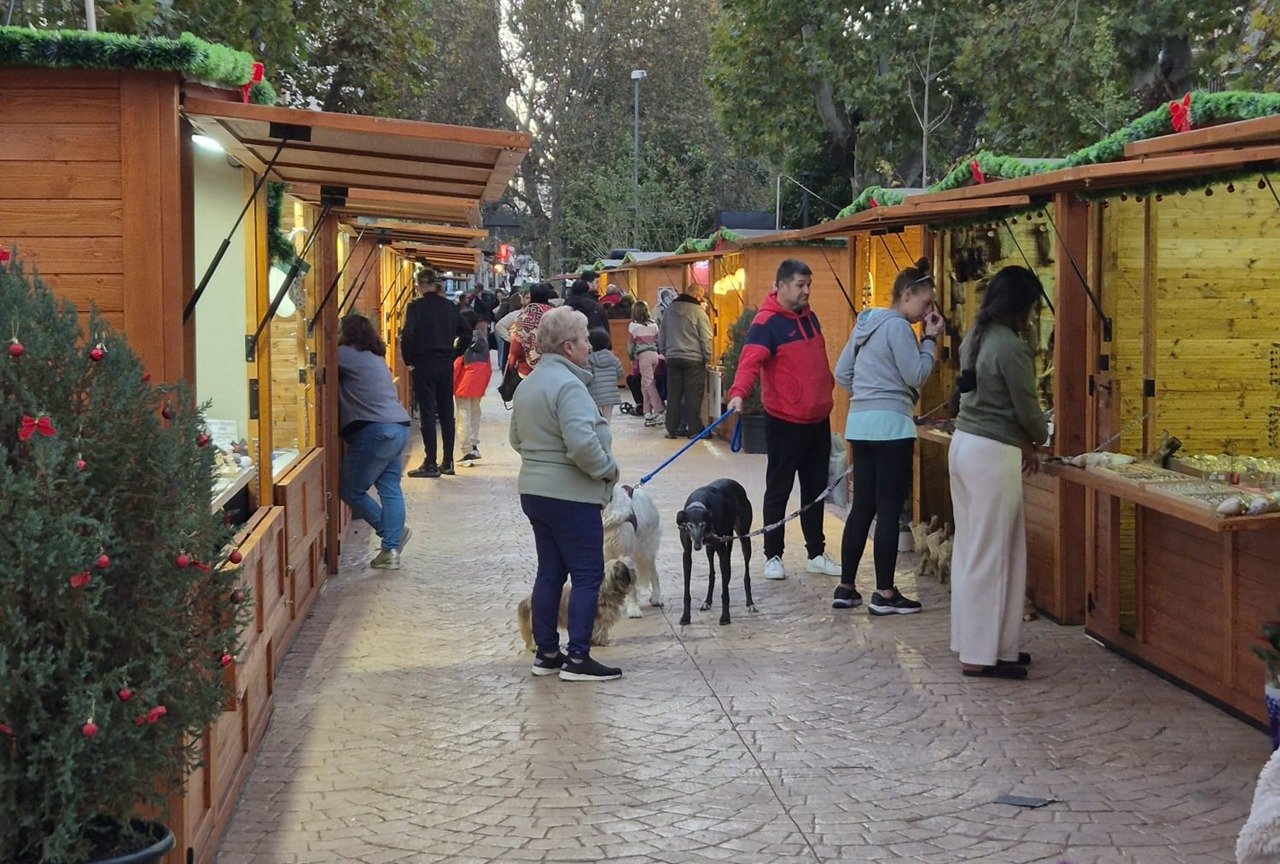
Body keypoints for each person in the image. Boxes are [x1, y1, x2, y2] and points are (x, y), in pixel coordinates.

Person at [509, 306, 622, 681]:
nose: (590, 346)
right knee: (588, 575)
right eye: (586, 339)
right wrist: (607, 470)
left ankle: (546, 654)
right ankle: (578, 659)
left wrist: (541, 461)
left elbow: (515, 438)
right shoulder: (569, 387)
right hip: (571, 497)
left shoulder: (529, 384)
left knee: (550, 573)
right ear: (568, 346)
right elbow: (582, 445)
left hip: (535, 493)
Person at [949, 265, 1049, 680]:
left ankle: (990, 646)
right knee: (992, 554)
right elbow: (1027, 408)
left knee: (974, 550)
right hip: (992, 455)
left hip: (965, 446)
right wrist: (1040, 435)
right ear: (1022, 306)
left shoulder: (976, 335)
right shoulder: (1011, 347)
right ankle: (979, 655)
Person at [831, 257, 943, 614]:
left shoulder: (866, 323)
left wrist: (867, 395)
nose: (927, 312)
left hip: (860, 424)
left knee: (862, 506)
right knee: (889, 507)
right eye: (926, 302)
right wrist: (929, 340)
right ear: (906, 294)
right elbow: (916, 375)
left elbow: (842, 372)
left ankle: (846, 587)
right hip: (891, 426)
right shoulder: (898, 327)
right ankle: (885, 593)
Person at [726, 259, 841, 580]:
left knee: (815, 490)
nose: (806, 291)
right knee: (779, 489)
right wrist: (738, 393)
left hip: (818, 419)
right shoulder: (766, 323)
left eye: (809, 285)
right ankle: (772, 555)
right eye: (800, 285)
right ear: (781, 286)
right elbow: (750, 362)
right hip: (784, 421)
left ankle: (815, 553)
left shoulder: (811, 318)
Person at [337, 314, 412, 570]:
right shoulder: (376, 357)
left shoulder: (344, 354)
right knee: (390, 488)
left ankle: (392, 537)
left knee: (351, 491)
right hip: (399, 427)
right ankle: (390, 549)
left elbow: (316, 362)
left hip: (375, 431)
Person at [400, 269, 469, 478]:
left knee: (428, 411)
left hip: (423, 363)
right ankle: (448, 461)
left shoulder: (415, 306)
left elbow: (408, 334)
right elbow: (466, 332)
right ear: (435, 284)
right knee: (447, 411)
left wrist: (408, 360)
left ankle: (430, 461)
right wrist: (456, 352)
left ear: (418, 286)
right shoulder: (449, 306)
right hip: (445, 363)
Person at [657, 282, 712, 439]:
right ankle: (694, 429)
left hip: (673, 357)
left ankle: (672, 429)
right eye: (700, 297)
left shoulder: (669, 310)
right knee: (693, 394)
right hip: (693, 359)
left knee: (674, 393)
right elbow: (705, 337)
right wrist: (707, 356)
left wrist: (665, 352)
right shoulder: (698, 312)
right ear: (696, 295)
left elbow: (662, 334)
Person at [454, 309, 492, 463]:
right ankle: (474, 445)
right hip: (479, 381)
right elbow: (488, 365)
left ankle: (466, 450)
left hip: (464, 382)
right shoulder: (483, 340)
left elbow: (457, 364)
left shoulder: (461, 341)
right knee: (476, 412)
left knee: (463, 415)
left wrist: (450, 383)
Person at [499, 283, 556, 378]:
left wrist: (511, 364)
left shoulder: (523, 317)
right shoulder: (557, 316)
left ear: (532, 296)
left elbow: (515, 348)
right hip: (553, 369)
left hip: (526, 371)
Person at [627, 300, 664, 422]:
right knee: (645, 383)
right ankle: (647, 411)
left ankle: (659, 409)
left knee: (649, 383)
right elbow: (658, 341)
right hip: (654, 355)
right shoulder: (654, 325)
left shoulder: (633, 326)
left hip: (643, 356)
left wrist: (632, 358)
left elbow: (630, 346)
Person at [585, 327, 624, 422]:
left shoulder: (589, 360)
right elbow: (620, 374)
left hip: (594, 396)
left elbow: (586, 377)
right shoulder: (614, 359)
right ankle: (607, 430)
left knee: (596, 420)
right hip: (610, 396)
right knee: (607, 419)